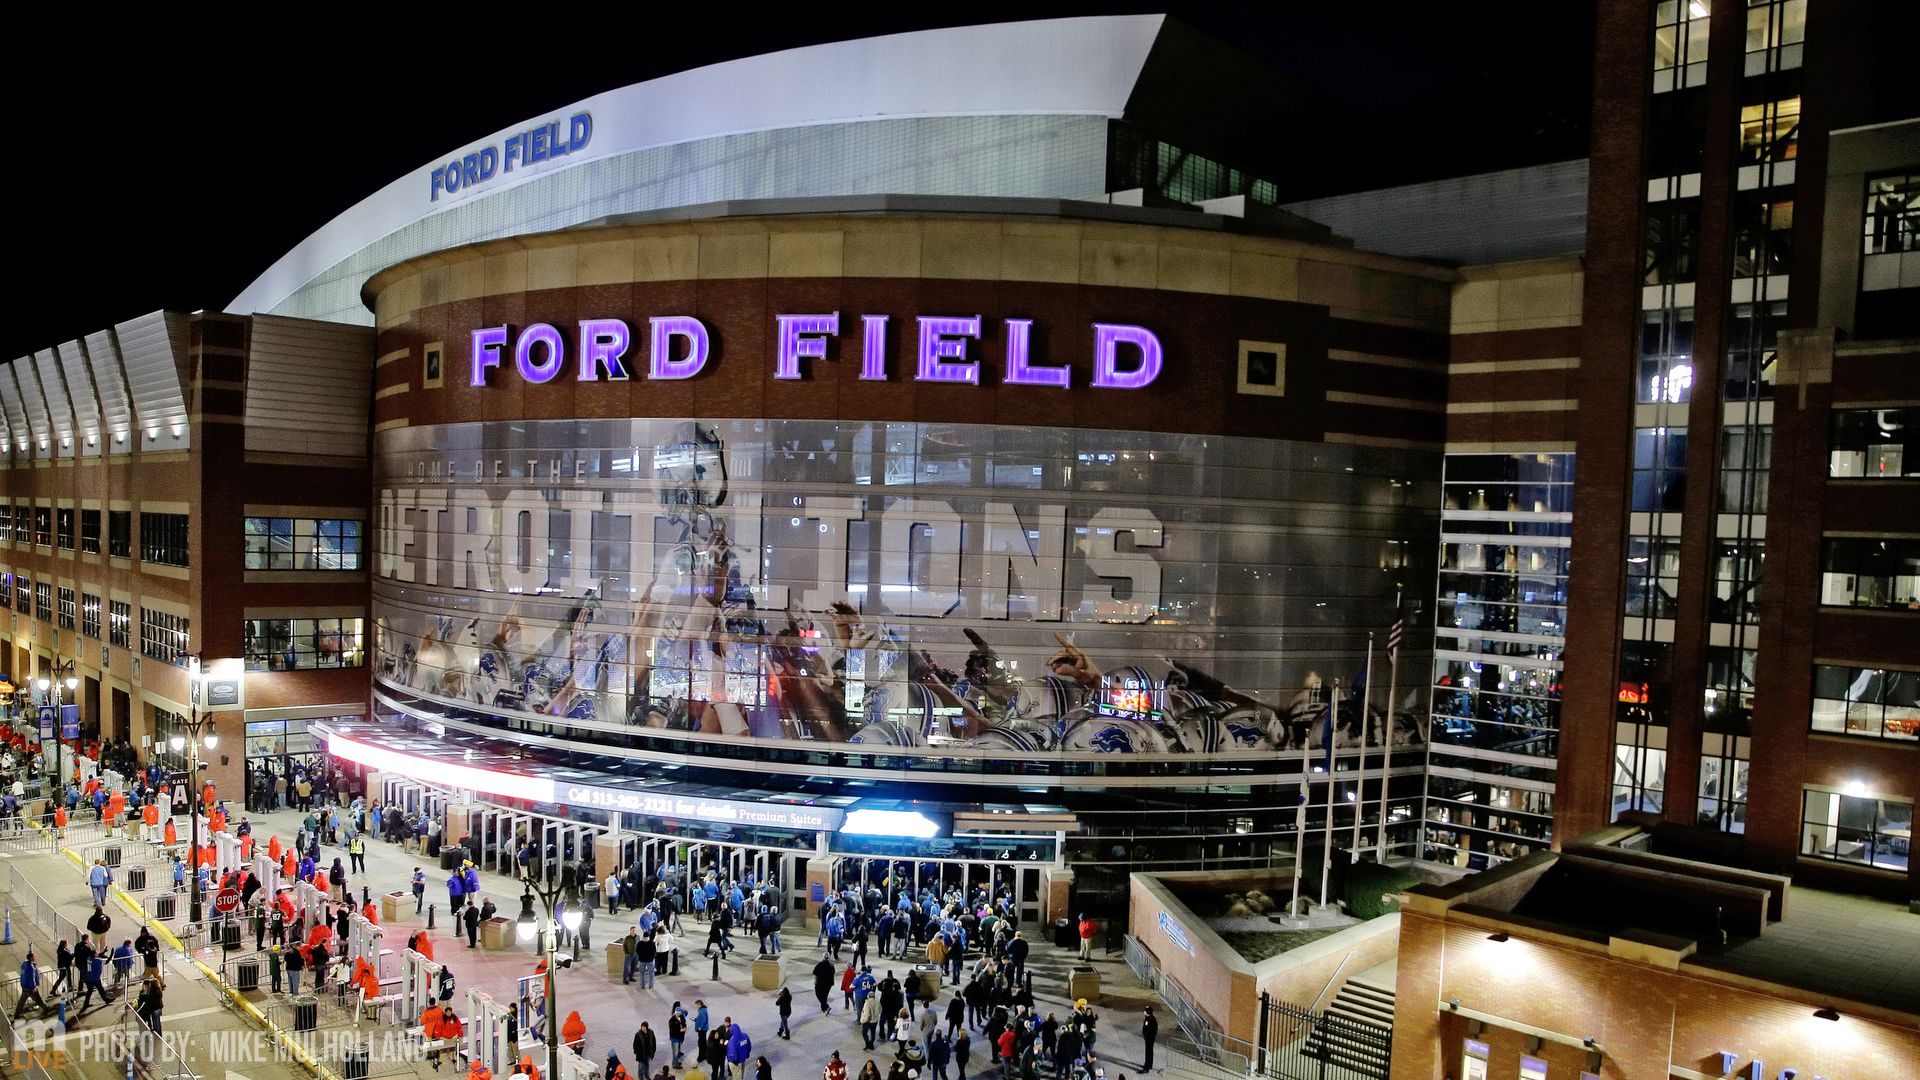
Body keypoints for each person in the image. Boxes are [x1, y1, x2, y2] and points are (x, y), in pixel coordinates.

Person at [13, 951, 48, 1018]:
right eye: (34, 956)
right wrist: (34, 987)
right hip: (30, 988)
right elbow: (32, 978)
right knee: (38, 1000)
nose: (35, 957)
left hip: (24, 987)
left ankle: (17, 1014)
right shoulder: (31, 967)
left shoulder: (25, 964)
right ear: (31, 958)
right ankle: (46, 1008)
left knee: (21, 1001)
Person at [669, 1002, 689, 1066]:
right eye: (676, 1012)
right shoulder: (672, 1020)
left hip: (680, 1037)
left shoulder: (682, 1017)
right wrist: (681, 1030)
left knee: (677, 1051)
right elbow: (672, 1031)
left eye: (679, 1012)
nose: (678, 1014)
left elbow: (684, 1023)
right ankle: (675, 1064)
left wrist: (685, 1027)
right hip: (675, 1038)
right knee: (675, 1052)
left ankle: (676, 1062)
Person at [1141, 1005, 1157, 1073]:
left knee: (1148, 1052)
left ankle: (1147, 1067)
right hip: (1148, 1038)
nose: (1144, 1012)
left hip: (1149, 1038)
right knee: (1149, 1051)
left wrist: (1147, 1035)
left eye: (1145, 1011)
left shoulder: (1151, 1019)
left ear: (1148, 1012)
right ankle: (1149, 1064)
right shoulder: (1148, 1018)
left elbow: (1153, 1030)